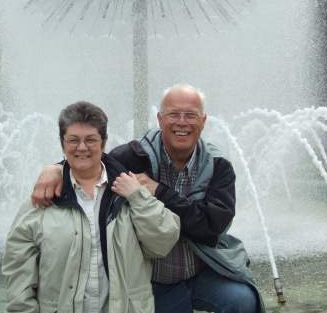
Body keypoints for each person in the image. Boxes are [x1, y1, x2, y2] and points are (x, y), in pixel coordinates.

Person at [32, 85, 266, 313]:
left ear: (203, 121)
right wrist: (56, 168)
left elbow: (212, 228)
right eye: (173, 114)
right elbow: (90, 163)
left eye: (190, 115)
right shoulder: (132, 157)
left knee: (243, 301)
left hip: (203, 270)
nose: (182, 122)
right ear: (160, 119)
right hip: (151, 279)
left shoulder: (218, 165)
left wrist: (160, 192)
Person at [3, 101, 180, 313]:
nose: (82, 147)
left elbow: (162, 242)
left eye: (90, 140)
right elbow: (18, 270)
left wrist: (138, 197)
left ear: (104, 142)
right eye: (73, 140)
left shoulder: (128, 194)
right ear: (62, 143)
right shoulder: (43, 199)